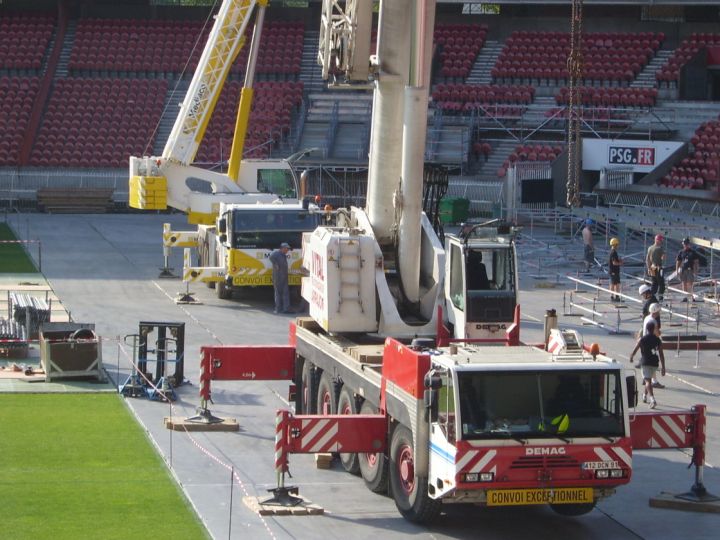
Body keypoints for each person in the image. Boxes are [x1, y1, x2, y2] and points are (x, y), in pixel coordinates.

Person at [629, 320, 665, 409]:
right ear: (653, 329)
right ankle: (644, 395)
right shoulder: (658, 340)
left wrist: (631, 357)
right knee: (647, 379)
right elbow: (661, 354)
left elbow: (635, 349)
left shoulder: (642, 339)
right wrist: (663, 367)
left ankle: (652, 400)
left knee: (648, 381)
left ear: (647, 329)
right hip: (654, 363)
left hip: (645, 362)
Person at [642, 302, 665, 389]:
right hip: (651, 343)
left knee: (647, 361)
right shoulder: (653, 321)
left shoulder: (647, 318)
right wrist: (659, 332)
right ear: (655, 311)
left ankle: (647, 378)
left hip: (644, 342)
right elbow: (657, 333)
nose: (659, 313)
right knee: (652, 362)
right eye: (658, 311)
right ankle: (653, 381)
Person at [269, 242, 292, 314]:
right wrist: (275, 264)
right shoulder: (276, 253)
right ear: (282, 248)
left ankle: (286, 308)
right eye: (286, 249)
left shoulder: (283, 255)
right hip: (277, 277)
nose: (287, 250)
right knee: (278, 293)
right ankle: (278, 309)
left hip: (284, 276)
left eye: (288, 249)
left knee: (285, 292)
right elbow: (271, 257)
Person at [675, 237, 700, 302]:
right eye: (684, 244)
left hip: (690, 270)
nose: (685, 245)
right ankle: (685, 297)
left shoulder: (693, 252)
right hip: (683, 270)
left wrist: (696, 271)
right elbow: (678, 261)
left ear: (689, 244)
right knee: (684, 283)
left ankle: (692, 296)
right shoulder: (681, 252)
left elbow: (696, 262)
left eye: (686, 244)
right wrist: (677, 270)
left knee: (690, 283)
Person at [646, 234, 666, 302]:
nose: (661, 242)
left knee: (654, 283)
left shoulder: (650, 248)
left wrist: (648, 268)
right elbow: (663, 257)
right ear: (657, 240)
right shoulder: (660, 248)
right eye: (660, 240)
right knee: (661, 283)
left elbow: (647, 259)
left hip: (652, 267)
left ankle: (651, 297)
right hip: (658, 267)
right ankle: (660, 297)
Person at [608, 237, 623, 301]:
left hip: (613, 271)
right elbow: (614, 263)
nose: (618, 246)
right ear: (615, 244)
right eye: (617, 244)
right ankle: (614, 296)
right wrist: (620, 263)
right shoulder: (614, 252)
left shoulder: (612, 252)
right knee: (615, 284)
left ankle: (614, 296)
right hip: (614, 271)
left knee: (615, 283)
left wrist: (618, 260)